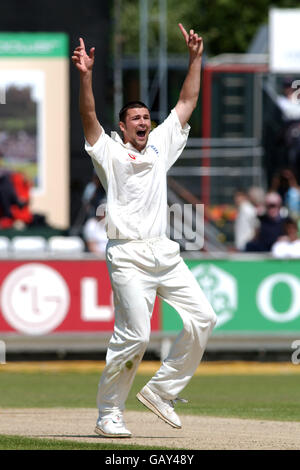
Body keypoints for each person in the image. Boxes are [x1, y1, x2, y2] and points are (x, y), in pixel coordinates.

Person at [72, 24, 217, 438]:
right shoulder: (109, 152)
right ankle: (108, 413)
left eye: (147, 118)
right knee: (135, 335)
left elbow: (187, 101)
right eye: (135, 117)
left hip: (163, 253)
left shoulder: (160, 146)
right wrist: (85, 76)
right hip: (127, 255)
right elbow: (87, 117)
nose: (143, 121)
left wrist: (195, 58)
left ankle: (162, 391)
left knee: (204, 318)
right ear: (121, 127)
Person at [234, 187, 264, 251]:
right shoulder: (242, 209)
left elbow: (257, 227)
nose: (237, 199)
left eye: (239, 196)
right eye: (236, 196)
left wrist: (250, 242)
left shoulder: (248, 209)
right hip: (242, 246)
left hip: (246, 246)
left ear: (244, 196)